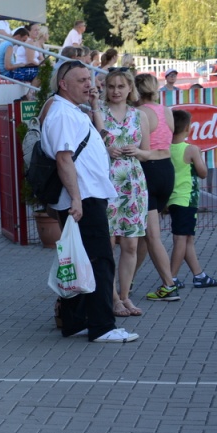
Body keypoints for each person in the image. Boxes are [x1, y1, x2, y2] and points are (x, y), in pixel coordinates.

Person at [42, 60, 138, 343]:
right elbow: (63, 158)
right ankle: (102, 326)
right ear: (64, 84)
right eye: (82, 80)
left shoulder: (70, 110)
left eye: (91, 79)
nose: (90, 84)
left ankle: (75, 322)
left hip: (85, 196)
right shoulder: (62, 113)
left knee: (80, 260)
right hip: (83, 197)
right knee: (99, 261)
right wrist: (76, 197)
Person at [100, 69, 150, 317]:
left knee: (131, 244)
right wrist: (106, 150)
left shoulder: (139, 115)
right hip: (107, 184)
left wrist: (137, 152)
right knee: (107, 245)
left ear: (130, 88)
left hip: (133, 183)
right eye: (111, 86)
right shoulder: (97, 113)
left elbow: (149, 152)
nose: (116, 91)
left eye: (121, 86)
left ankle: (126, 295)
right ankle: (113, 299)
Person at [133, 73, 181, 302]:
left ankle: (169, 285)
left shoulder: (140, 113)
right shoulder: (166, 111)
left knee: (152, 236)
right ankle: (128, 280)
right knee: (144, 235)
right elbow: (169, 143)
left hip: (149, 171)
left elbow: (142, 149)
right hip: (166, 171)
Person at [168, 110, 216, 289]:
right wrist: (199, 159)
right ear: (188, 128)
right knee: (181, 239)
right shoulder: (191, 149)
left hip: (172, 198)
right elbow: (203, 173)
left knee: (188, 238)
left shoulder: (166, 147)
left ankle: (199, 275)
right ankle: (170, 278)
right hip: (187, 198)